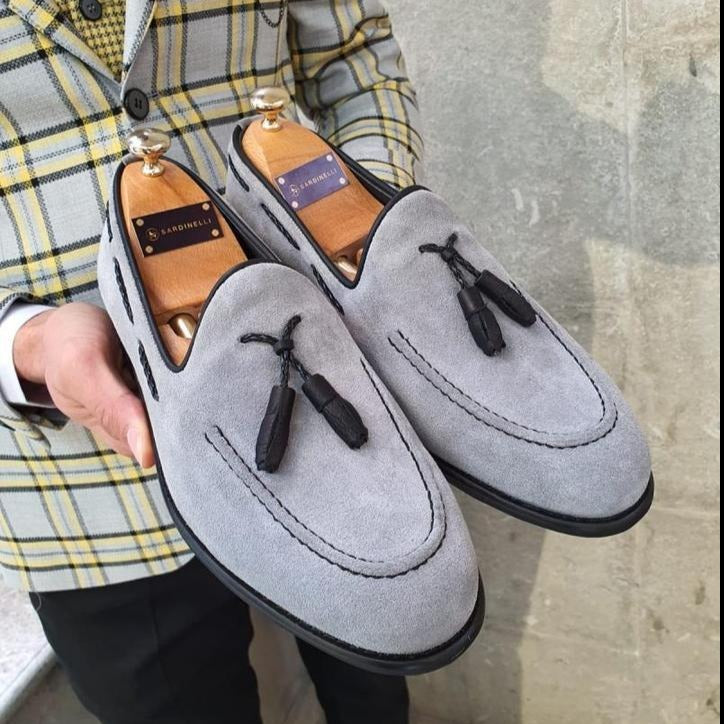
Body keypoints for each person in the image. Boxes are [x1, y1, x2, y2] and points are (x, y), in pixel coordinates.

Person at [0, 1, 422, 721]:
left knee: (378, 693)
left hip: (325, 393)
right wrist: (25, 341)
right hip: (84, 494)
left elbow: (354, 58)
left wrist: (355, 231)